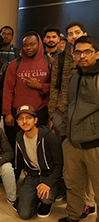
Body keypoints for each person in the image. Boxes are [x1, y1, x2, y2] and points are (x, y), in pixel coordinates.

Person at [58, 36, 99, 222]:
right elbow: (69, 105)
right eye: (78, 52)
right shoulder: (75, 76)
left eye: (87, 52)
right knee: (73, 185)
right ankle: (73, 216)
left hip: (94, 145)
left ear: (97, 54)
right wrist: (66, 132)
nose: (82, 56)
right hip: (72, 142)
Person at [3, 31, 52, 149]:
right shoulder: (15, 64)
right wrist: (7, 113)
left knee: (39, 146)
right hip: (17, 112)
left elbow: (57, 88)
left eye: (32, 44)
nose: (28, 48)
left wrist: (41, 86)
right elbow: (8, 89)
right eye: (25, 45)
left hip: (40, 111)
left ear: (39, 44)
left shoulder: (50, 62)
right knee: (17, 145)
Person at [15, 104, 65, 219]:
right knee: (24, 214)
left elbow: (59, 164)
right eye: (21, 118)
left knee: (46, 198)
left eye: (28, 118)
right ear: (17, 122)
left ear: (35, 120)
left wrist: (48, 182)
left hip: (50, 175)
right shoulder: (19, 137)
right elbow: (19, 163)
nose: (25, 121)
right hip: (32, 177)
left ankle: (58, 190)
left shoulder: (48, 137)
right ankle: (34, 196)